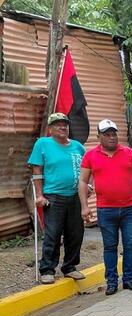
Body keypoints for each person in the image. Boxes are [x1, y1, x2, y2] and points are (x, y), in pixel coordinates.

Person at [78, 120, 132, 295]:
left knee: (130, 245)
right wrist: (84, 206)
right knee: (110, 246)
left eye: (113, 134)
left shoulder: (129, 153)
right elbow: (83, 181)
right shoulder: (90, 156)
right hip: (106, 209)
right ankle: (112, 281)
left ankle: (128, 279)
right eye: (107, 134)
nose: (111, 137)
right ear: (98, 136)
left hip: (130, 208)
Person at [28, 113, 87, 285]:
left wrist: (87, 186)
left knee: (76, 233)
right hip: (53, 196)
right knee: (53, 234)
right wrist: (39, 195)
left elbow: (86, 169)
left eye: (65, 124)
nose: (62, 127)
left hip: (75, 196)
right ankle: (47, 269)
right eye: (58, 124)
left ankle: (70, 267)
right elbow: (37, 172)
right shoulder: (43, 144)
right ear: (50, 128)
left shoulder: (77, 146)